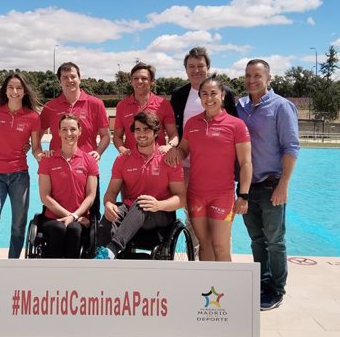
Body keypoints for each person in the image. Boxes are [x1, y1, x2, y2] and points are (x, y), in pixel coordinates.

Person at [166, 76, 252, 262]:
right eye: (204, 94)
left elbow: (245, 162)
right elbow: (183, 150)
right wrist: (173, 153)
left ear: (222, 96)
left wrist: (243, 195)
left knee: (220, 246)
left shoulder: (236, 125)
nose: (209, 98)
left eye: (213, 93)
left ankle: (226, 289)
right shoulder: (192, 124)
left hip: (222, 195)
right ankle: (208, 291)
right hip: (196, 194)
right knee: (204, 244)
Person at [237, 59, 300, 311]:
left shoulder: (282, 106)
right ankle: (261, 283)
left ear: (269, 78)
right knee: (256, 239)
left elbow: (292, 147)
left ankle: (277, 288)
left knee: (275, 240)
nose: (252, 80)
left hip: (271, 184)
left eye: (257, 76)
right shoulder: (240, 106)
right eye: (248, 75)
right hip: (246, 187)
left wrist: (284, 183)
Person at [170, 47, 237, 259]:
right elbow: (174, 130)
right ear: (186, 69)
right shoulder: (179, 95)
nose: (196, 70)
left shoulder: (225, 94)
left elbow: (233, 130)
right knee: (192, 219)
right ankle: (197, 264)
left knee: (221, 230)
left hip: (216, 172)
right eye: (191, 66)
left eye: (200, 66)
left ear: (208, 68)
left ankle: (221, 263)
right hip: (188, 167)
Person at [95, 111, 185, 259]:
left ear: (156, 132)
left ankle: (112, 250)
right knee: (113, 211)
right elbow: (111, 193)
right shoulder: (123, 159)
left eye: (146, 129)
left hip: (160, 213)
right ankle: (100, 254)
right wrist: (108, 204)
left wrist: (158, 204)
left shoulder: (168, 159)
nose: (141, 134)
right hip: (131, 212)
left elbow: (181, 198)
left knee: (142, 202)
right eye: (138, 129)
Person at [0, 72, 42, 259]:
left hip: (19, 175)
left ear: (24, 91)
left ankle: (12, 265)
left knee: (18, 226)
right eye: (11, 87)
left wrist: (45, 159)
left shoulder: (32, 117)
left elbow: (36, 148)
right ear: (5, 91)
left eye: (19, 88)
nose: (14, 91)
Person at [39, 62, 110, 219]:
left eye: (73, 76)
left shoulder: (95, 104)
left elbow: (106, 135)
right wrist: (39, 155)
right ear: (59, 81)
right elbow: (37, 135)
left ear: (80, 78)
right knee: (55, 215)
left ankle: (91, 244)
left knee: (91, 214)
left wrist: (98, 152)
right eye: (65, 77)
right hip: (58, 168)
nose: (69, 80)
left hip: (87, 167)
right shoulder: (50, 107)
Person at [38, 114, 99, 258]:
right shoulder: (48, 160)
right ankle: (54, 275)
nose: (69, 133)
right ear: (58, 132)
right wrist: (70, 216)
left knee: (74, 230)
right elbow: (44, 196)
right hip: (53, 219)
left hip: (80, 219)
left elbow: (91, 196)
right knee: (59, 228)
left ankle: (73, 277)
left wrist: (75, 216)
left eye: (72, 129)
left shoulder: (89, 161)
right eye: (64, 129)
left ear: (80, 131)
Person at [113, 62, 177, 155]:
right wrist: (122, 149)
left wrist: (169, 146)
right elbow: (117, 136)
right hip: (131, 159)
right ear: (131, 82)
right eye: (136, 78)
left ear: (152, 81)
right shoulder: (122, 106)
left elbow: (174, 135)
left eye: (144, 78)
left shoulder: (164, 104)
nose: (139, 81)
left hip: (157, 160)